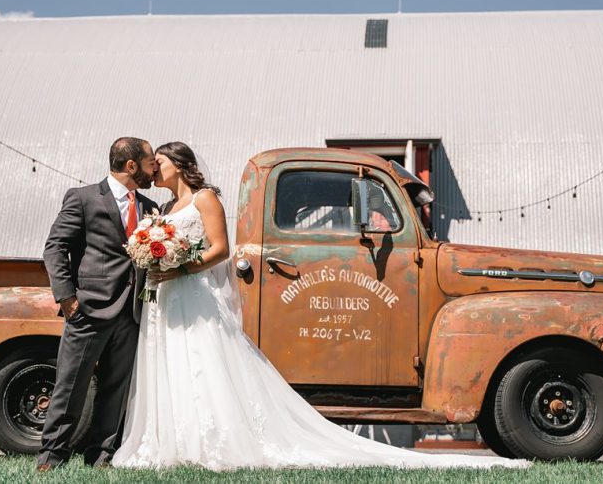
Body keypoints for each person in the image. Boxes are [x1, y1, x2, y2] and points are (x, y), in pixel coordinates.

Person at [111, 141, 528, 470]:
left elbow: (220, 248)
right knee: (179, 368)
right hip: (169, 298)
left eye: (158, 162)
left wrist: (177, 269)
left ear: (178, 164)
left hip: (187, 288)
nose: (151, 169)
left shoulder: (206, 199)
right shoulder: (163, 207)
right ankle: (178, 441)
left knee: (205, 365)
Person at [36, 137, 160, 471]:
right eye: (151, 162)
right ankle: (52, 456)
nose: (155, 169)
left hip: (131, 311)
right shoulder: (83, 198)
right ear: (131, 165)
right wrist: (67, 299)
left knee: (115, 389)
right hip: (88, 309)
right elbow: (55, 247)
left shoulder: (151, 208)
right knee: (71, 385)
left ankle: (102, 456)